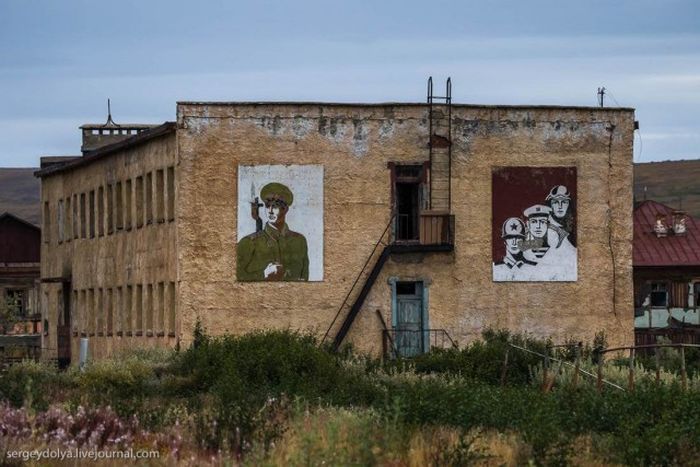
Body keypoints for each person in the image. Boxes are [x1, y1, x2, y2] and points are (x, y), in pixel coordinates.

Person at [237, 182, 309, 281]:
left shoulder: (299, 241)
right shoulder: (248, 242)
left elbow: (304, 279)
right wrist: (263, 274)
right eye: (267, 206)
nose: (270, 211)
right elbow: (236, 277)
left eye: (275, 206)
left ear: (285, 209)